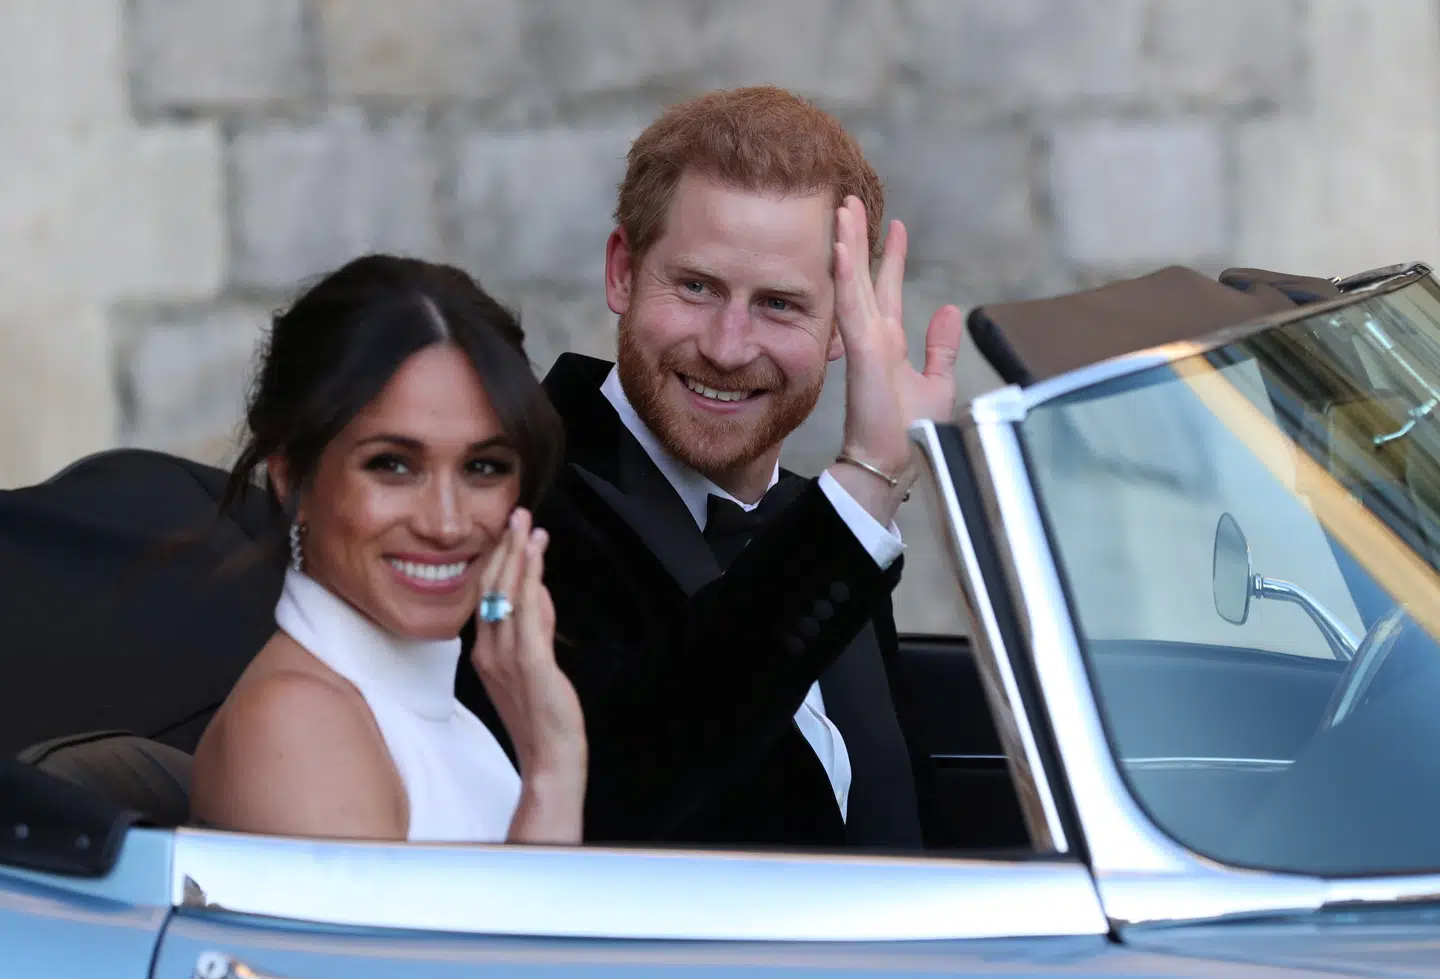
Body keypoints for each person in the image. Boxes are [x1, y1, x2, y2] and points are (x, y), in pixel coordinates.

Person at [456, 86, 963, 848]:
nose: (728, 346)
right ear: (623, 272)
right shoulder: (511, 494)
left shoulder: (819, 525)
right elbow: (627, 789)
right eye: (696, 287)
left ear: (841, 327)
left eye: (780, 305)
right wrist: (865, 484)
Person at [189, 255, 587, 844]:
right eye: (393, 465)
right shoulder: (297, 727)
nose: (447, 524)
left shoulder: (441, 718)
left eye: (483, 467)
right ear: (290, 475)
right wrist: (553, 774)